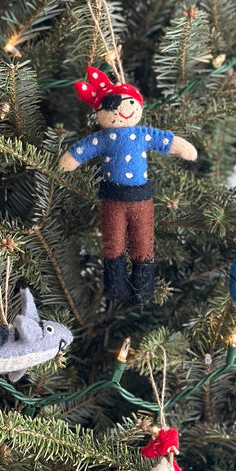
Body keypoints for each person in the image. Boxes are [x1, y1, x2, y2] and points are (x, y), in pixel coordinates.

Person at [58, 66, 197, 302]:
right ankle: (116, 289)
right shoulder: (103, 138)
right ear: (101, 111)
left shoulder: (143, 134)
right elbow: (79, 153)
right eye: (112, 105)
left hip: (141, 200)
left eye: (130, 103)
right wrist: (67, 162)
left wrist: (184, 149)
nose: (122, 110)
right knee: (113, 246)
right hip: (112, 201)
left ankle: (144, 289)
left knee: (142, 244)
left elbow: (166, 141)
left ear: (138, 105)